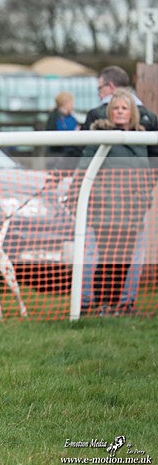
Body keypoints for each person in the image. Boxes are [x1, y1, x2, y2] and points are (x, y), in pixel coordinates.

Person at [76, 66, 158, 311]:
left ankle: (119, 303)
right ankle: (102, 302)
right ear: (109, 112)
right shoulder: (99, 135)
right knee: (106, 257)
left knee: (124, 259)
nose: (120, 112)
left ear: (131, 112)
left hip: (132, 209)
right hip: (106, 208)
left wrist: (145, 196)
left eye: (124, 108)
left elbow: (148, 171)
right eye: (116, 109)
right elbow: (84, 168)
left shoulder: (142, 138)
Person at [45, 91, 79, 166]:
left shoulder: (72, 117)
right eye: (71, 103)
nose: (73, 105)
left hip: (71, 155)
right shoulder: (54, 117)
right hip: (57, 155)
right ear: (65, 103)